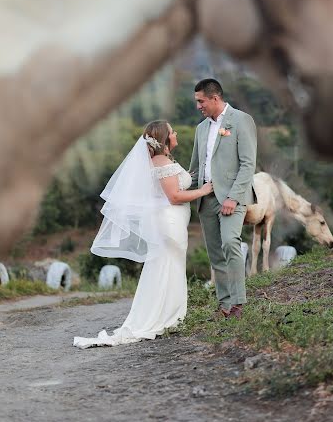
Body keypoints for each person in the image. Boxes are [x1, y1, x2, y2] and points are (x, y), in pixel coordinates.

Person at [73, 120, 213, 349]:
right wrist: (203, 190)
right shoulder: (162, 161)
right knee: (168, 266)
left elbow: (171, 186)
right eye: (173, 131)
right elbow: (174, 196)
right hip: (170, 221)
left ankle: (170, 316)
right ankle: (165, 317)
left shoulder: (162, 161)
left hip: (170, 221)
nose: (176, 133)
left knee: (166, 266)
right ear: (165, 138)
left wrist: (188, 176)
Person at [189, 79, 257, 320]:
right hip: (206, 199)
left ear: (214, 98)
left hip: (232, 198)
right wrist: (177, 184)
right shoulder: (200, 129)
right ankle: (224, 305)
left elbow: (248, 164)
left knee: (230, 243)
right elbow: (196, 168)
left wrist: (233, 197)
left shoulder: (241, 120)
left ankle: (239, 303)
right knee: (215, 254)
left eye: (200, 101)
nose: (198, 106)